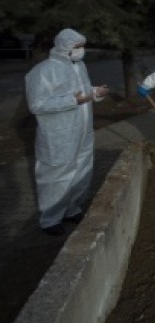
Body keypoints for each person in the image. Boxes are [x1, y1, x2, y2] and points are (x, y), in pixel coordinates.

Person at [25, 28, 109, 235]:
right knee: (57, 175)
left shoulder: (79, 66)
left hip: (82, 132)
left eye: (82, 46)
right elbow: (37, 104)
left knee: (82, 170)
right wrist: (73, 101)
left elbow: (83, 91)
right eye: (77, 47)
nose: (81, 50)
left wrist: (95, 93)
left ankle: (72, 209)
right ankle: (50, 219)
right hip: (58, 135)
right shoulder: (44, 71)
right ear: (64, 47)